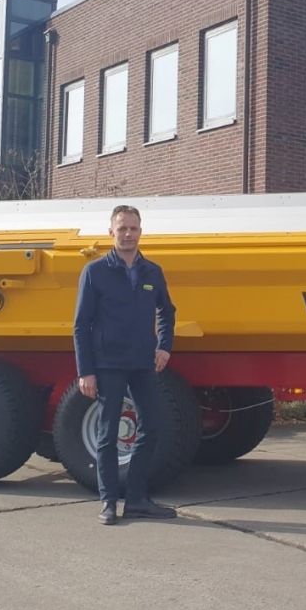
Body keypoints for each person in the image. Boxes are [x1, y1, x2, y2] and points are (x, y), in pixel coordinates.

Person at [73, 204, 179, 525]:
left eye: (133, 228)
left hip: (143, 363)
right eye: (122, 228)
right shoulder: (95, 272)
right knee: (107, 435)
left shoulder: (152, 272)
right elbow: (81, 325)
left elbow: (167, 311)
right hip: (108, 364)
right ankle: (108, 502)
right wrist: (85, 371)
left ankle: (136, 500)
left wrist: (164, 346)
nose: (128, 234)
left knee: (154, 426)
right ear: (111, 232)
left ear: (141, 231)